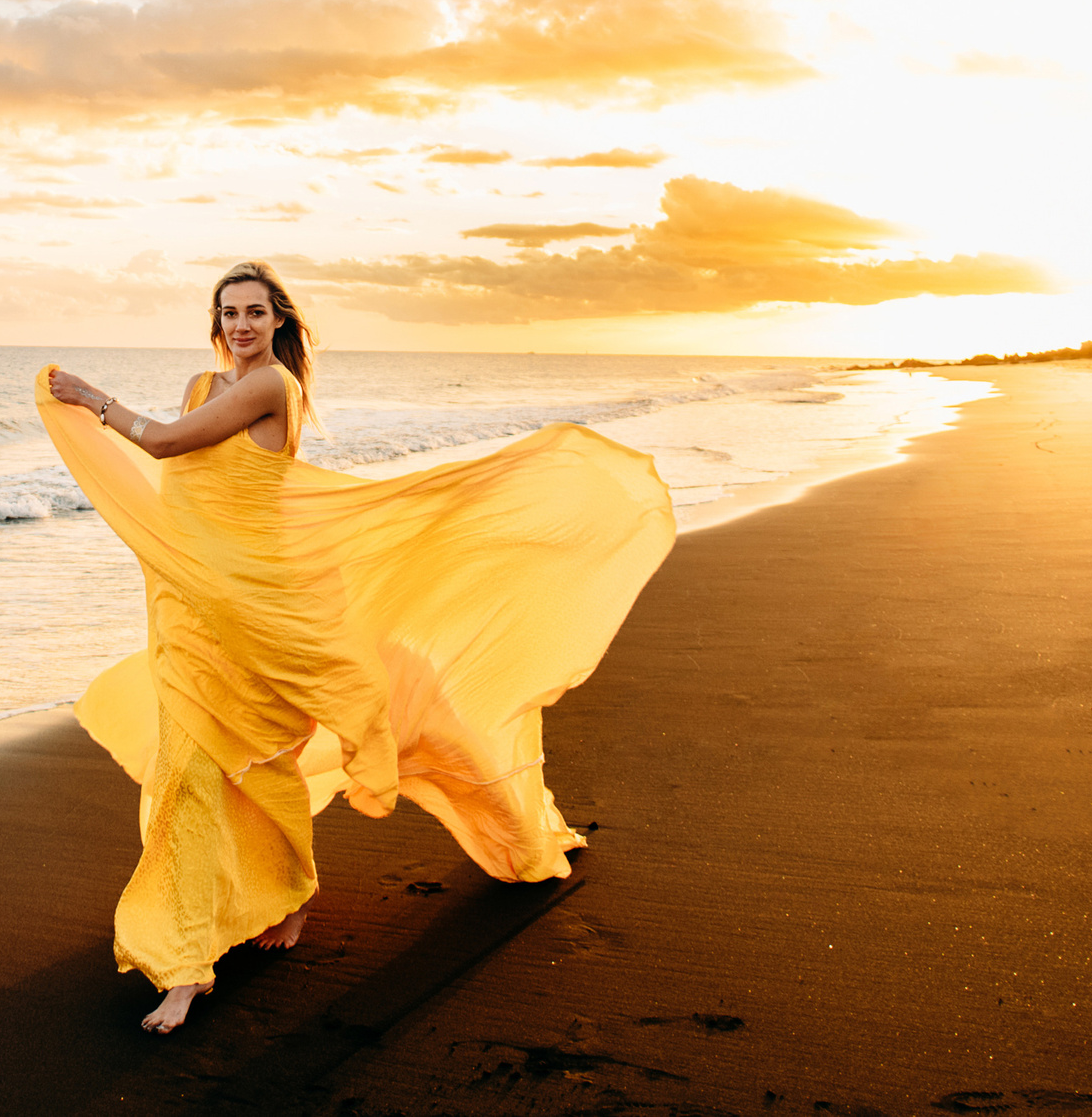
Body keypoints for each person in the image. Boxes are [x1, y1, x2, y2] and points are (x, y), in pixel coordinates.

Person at [40, 262, 675, 1034]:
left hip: (261, 601)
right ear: (216, 320)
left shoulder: (273, 387)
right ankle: (192, 955)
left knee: (254, 761)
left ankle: (261, 910)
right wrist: (176, 569)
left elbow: (168, 447)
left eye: (254, 312)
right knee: (190, 770)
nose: (241, 324)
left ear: (278, 321)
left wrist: (89, 399)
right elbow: (191, 488)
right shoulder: (200, 383)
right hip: (196, 606)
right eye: (228, 311)